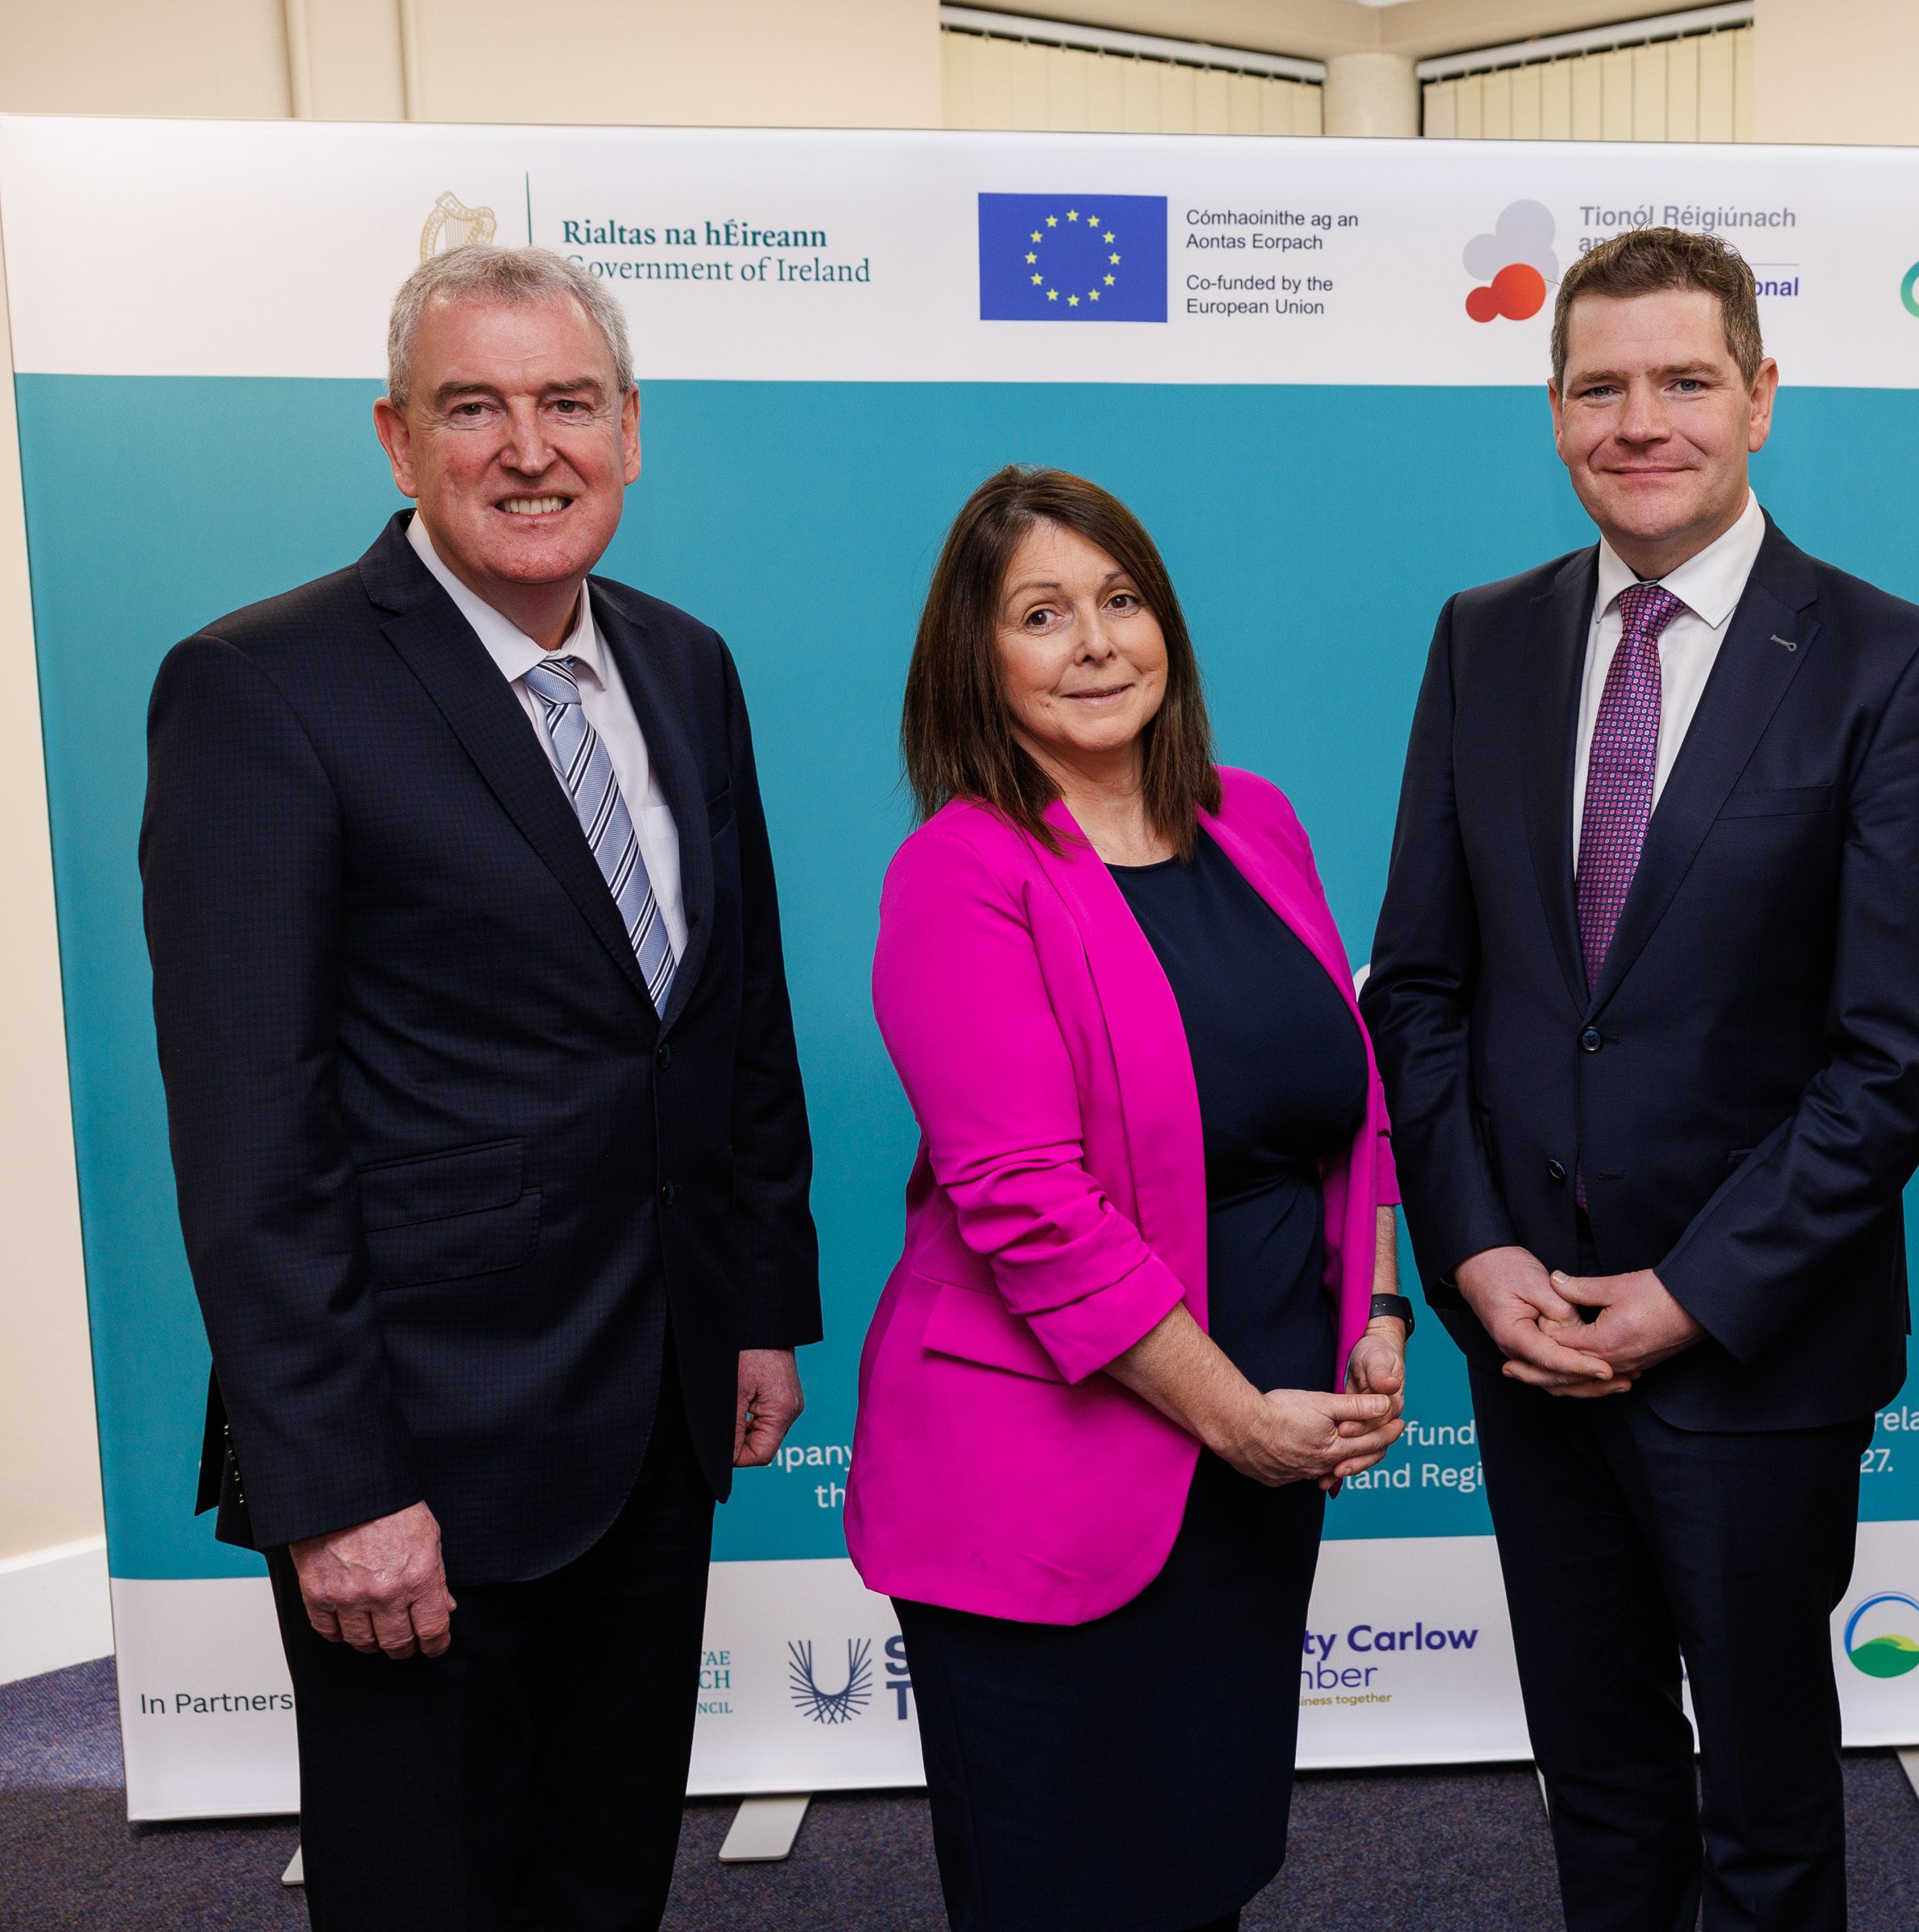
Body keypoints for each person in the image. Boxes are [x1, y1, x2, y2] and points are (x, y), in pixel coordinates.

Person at [139, 245, 820, 1929]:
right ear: (395, 441)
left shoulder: (684, 664)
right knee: (430, 1897)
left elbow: (732, 1019)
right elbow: (251, 1136)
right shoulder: (262, 687)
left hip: (655, 1413)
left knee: (601, 1882)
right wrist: (337, 1485)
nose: (531, 448)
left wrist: (752, 1307)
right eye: (475, 407)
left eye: (567, 402)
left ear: (631, 430)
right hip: (416, 1456)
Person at [1364, 228, 1919, 1932]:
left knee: (1768, 1804)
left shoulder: (1892, 665)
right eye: (1599, 385)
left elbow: (1896, 1052)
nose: (1640, 422)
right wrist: (1480, 1258)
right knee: (1601, 1778)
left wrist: (1693, 1296)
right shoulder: (1480, 641)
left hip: (1754, 1346)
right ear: (1556, 410)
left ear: (1762, 399)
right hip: (1528, 1333)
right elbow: (1420, 986)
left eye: (1684, 381)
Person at [844, 465, 1410, 1932]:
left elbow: (1362, 1099)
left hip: (1252, 1470)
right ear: (977, 659)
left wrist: (1384, 1307)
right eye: (1042, 614)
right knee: (1065, 1889)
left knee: (1203, 1860)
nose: (1095, 643)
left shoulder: (1254, 824)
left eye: (1120, 599)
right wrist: (1235, 1415)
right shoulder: (959, 874)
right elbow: (1023, 1200)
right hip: (1047, 1479)